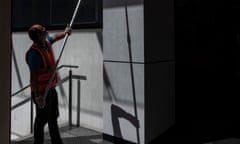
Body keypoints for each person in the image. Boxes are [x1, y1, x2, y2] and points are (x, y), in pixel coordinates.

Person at [26, 24, 71, 144]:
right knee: (41, 120)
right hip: (41, 92)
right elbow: (33, 78)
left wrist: (65, 32)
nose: (45, 30)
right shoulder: (34, 53)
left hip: (51, 89)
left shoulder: (46, 42)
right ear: (38, 35)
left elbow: (55, 36)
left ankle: (56, 141)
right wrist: (37, 96)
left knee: (53, 117)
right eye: (42, 30)